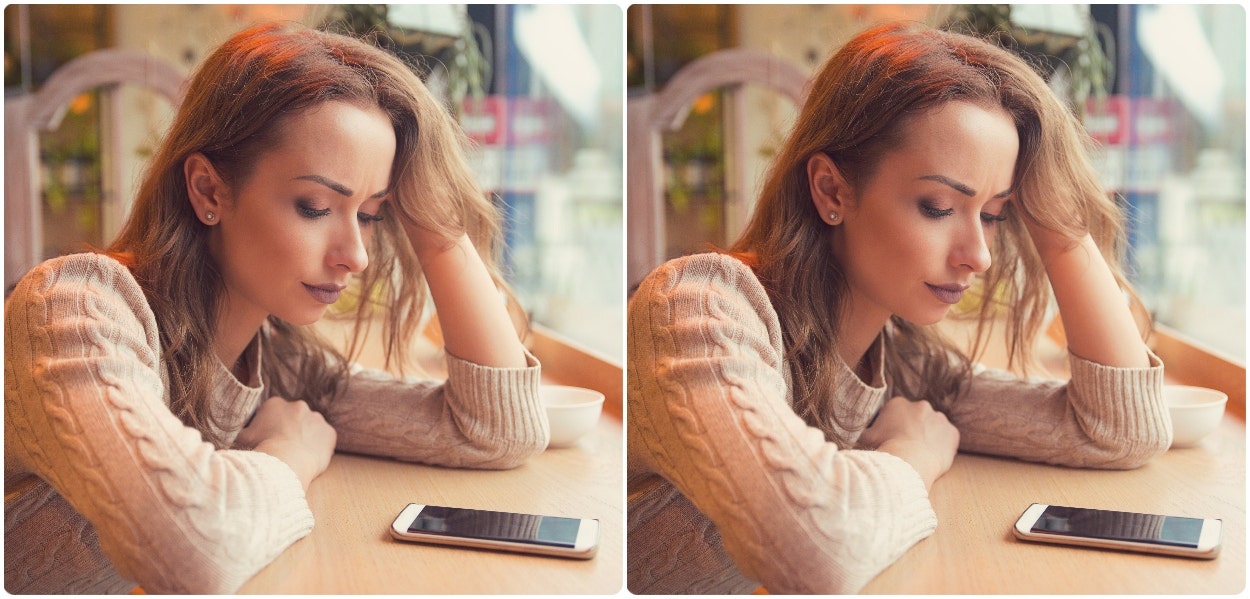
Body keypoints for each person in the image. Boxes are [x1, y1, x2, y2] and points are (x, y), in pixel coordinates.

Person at [627, 22, 1170, 595]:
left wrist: (1057, 224)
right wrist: (913, 454)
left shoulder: (900, 365)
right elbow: (819, 549)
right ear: (832, 191)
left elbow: (1118, 429)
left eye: (993, 214)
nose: (980, 256)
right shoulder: (699, 308)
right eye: (938, 207)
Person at [5, 23, 548, 594]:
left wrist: (434, 224)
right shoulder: (76, 308)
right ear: (209, 191)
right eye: (315, 207)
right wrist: (289, 454)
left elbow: (496, 429)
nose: (357, 257)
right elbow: (195, 547)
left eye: (371, 214)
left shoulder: (278, 367)